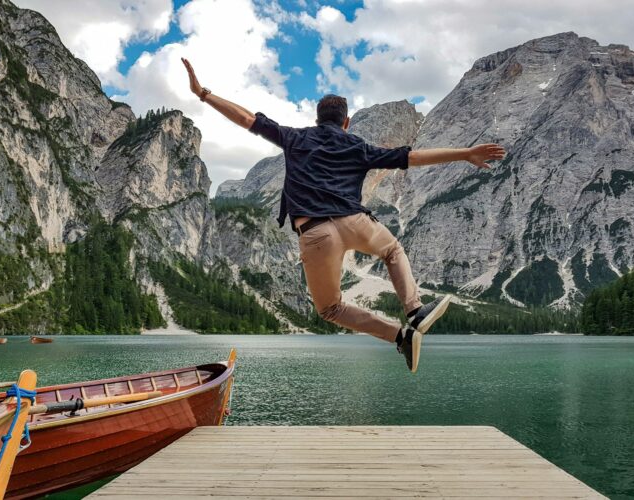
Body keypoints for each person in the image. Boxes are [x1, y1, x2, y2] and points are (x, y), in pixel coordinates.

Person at [181, 58, 506, 372]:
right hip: (355, 222)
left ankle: (399, 336)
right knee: (392, 250)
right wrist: (465, 153)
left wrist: (203, 93)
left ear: (317, 118)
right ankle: (416, 311)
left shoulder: (294, 138)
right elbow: (412, 156)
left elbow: (246, 118)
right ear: (346, 122)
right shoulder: (358, 147)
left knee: (331, 309)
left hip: (315, 233)